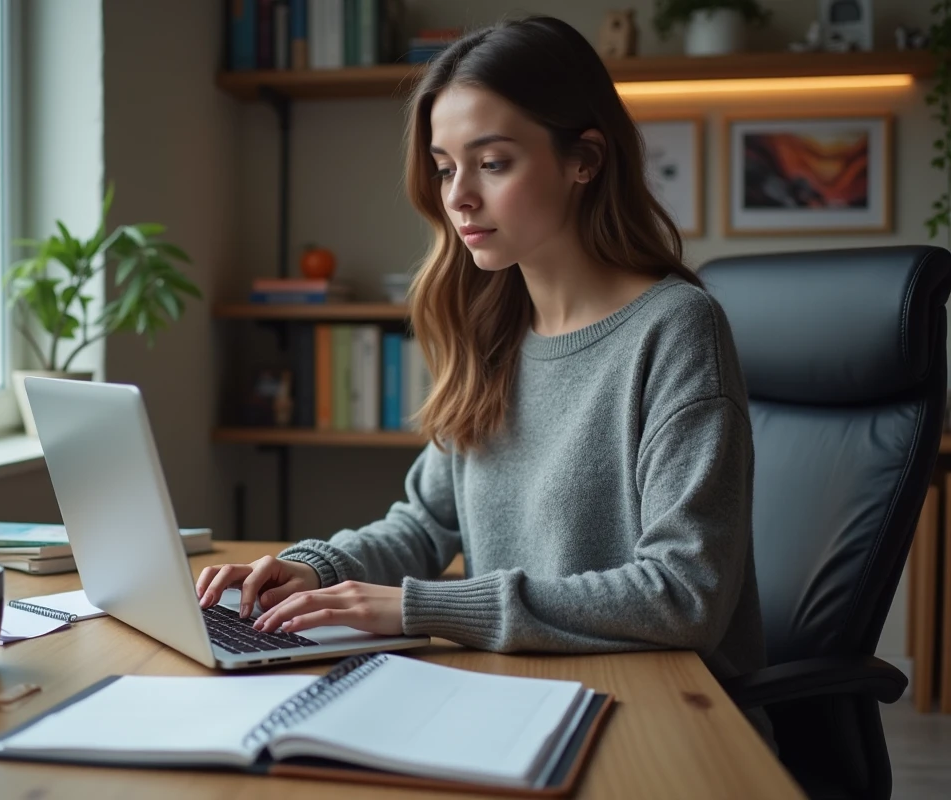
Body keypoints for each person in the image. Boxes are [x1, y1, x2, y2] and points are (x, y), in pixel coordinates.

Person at [196, 15, 774, 746]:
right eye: (444, 167)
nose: (458, 197)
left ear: (584, 159)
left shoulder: (676, 329)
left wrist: (418, 608)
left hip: (664, 718)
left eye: (492, 163)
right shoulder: (492, 326)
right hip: (516, 693)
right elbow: (427, 522)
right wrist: (315, 569)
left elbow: (685, 595)